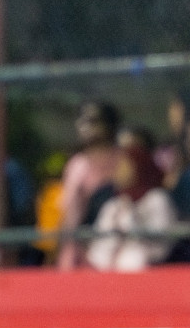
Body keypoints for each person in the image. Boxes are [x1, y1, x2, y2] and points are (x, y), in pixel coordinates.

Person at [87, 142, 175, 272]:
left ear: (138, 167)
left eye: (125, 166)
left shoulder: (156, 199)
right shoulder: (114, 204)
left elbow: (161, 248)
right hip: (110, 275)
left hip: (148, 274)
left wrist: (134, 224)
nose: (119, 171)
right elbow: (97, 250)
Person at [57, 101, 121, 270]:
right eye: (81, 121)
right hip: (83, 250)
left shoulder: (123, 160)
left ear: (109, 125)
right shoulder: (78, 164)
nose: (83, 127)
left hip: (119, 248)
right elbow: (70, 215)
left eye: (92, 121)